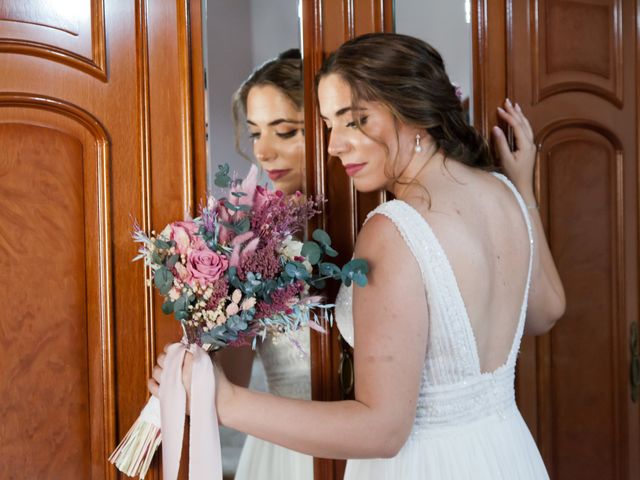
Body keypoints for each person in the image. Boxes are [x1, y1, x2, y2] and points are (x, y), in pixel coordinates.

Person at [150, 33, 565, 479]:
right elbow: (543, 313)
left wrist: (224, 401)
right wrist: (525, 189)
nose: (334, 145)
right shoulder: (504, 192)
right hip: (504, 453)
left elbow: (383, 431)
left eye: (355, 121)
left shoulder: (395, 229)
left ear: (412, 110)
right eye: (330, 124)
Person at [222, 49, 313, 480]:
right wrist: (222, 290)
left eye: (285, 131)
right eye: (257, 133)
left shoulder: (375, 221)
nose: (265, 152)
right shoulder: (253, 237)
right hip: (281, 452)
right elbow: (235, 384)